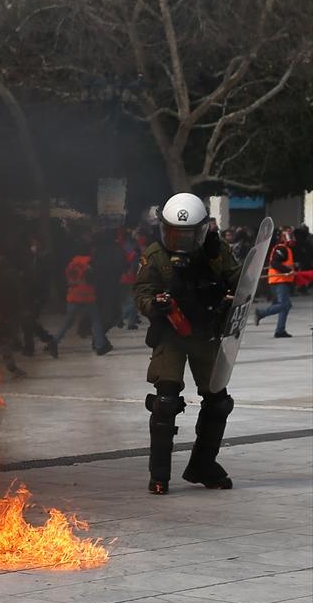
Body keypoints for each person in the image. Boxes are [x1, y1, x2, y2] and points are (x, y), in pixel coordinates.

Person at [134, 193, 241, 495]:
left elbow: (239, 280)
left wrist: (234, 296)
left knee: (218, 401)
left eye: (187, 234)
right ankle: (159, 475)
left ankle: (203, 466)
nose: (180, 241)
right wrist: (155, 304)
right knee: (165, 402)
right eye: (174, 234)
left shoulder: (217, 252)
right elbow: (142, 291)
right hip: (172, 333)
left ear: (202, 229)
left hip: (206, 332)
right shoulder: (155, 255)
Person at [47, 239, 111, 356]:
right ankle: (100, 346)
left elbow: (67, 279)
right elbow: (93, 279)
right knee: (96, 320)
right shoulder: (90, 263)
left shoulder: (71, 264)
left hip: (73, 296)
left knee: (68, 322)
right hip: (87, 296)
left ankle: (54, 342)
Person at [255, 228, 295, 338]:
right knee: (284, 305)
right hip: (279, 281)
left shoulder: (285, 249)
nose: (292, 238)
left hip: (282, 280)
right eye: (290, 236)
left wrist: (292, 267)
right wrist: (288, 270)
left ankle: (280, 330)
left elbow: (282, 263)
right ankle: (261, 313)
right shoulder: (281, 248)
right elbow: (275, 263)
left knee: (285, 305)